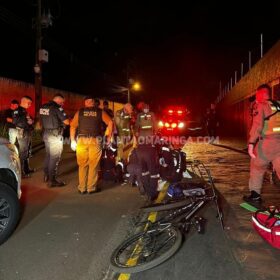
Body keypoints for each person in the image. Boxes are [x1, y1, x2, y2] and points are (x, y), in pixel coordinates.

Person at [243, 84, 280, 203]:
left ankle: (255, 196)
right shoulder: (278, 105)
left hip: (267, 144)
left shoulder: (261, 106)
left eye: (257, 94)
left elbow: (257, 126)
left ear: (260, 94)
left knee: (257, 166)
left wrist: (251, 143)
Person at [70, 97, 113, 194]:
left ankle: (82, 188)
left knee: (82, 164)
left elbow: (72, 126)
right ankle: (91, 188)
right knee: (93, 164)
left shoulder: (80, 112)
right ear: (93, 103)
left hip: (82, 140)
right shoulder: (99, 111)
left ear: (85, 103)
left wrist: (72, 140)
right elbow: (110, 122)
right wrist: (109, 137)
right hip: (95, 140)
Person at [39, 94, 70, 187]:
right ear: (59, 101)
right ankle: (52, 180)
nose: (63, 104)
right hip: (55, 135)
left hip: (46, 134)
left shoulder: (43, 107)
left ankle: (46, 175)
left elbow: (41, 121)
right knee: (54, 157)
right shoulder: (57, 108)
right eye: (62, 102)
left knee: (48, 155)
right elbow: (67, 122)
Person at [135, 103, 159, 201]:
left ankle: (149, 190)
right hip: (142, 135)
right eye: (144, 108)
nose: (146, 110)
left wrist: (156, 131)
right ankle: (149, 190)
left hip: (150, 133)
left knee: (145, 168)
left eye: (147, 108)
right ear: (142, 109)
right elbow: (137, 124)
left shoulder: (151, 114)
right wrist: (136, 131)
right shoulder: (139, 115)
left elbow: (155, 122)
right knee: (146, 168)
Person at [12, 96, 34, 178]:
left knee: (27, 151)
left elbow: (29, 121)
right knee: (23, 152)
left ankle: (27, 169)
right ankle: (21, 172)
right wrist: (27, 120)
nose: (30, 105)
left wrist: (31, 121)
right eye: (29, 103)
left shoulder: (24, 111)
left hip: (27, 132)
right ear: (23, 102)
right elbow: (15, 121)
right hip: (22, 133)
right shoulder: (17, 111)